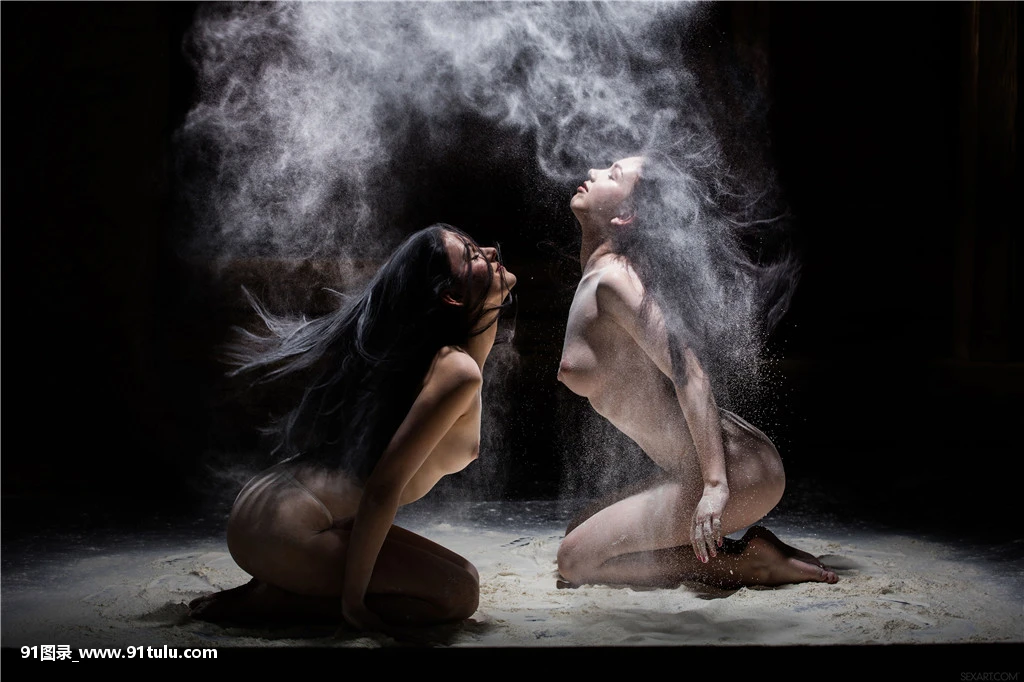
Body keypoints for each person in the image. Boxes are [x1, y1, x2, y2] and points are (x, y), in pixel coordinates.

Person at [188, 223, 517, 631]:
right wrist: (354, 602)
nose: (490, 250)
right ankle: (271, 602)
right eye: (471, 255)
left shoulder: (450, 362)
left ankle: (280, 588)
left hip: (279, 512)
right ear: (452, 296)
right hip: (282, 524)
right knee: (458, 595)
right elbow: (382, 489)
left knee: (464, 577)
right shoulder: (456, 371)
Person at [555, 154, 838, 589]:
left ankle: (750, 563)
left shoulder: (616, 280)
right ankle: (745, 550)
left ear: (625, 215)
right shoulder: (601, 273)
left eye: (613, 174)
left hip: (738, 471)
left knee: (574, 561)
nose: (592, 173)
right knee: (578, 532)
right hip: (711, 466)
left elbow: (690, 372)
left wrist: (715, 486)